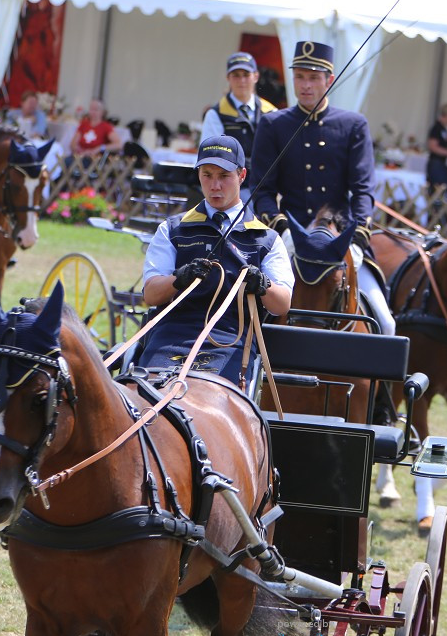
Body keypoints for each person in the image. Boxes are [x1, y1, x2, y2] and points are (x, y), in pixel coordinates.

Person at [250, 40, 395, 337]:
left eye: (314, 77)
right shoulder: (273, 124)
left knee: (386, 323)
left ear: (329, 81)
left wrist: (359, 230)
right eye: (300, 77)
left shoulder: (353, 125)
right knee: (249, 316)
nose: (306, 85)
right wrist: (281, 227)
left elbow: (363, 188)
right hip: (289, 237)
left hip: (339, 238)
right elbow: (261, 190)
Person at [140, 135, 293, 389]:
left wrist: (263, 284)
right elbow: (152, 294)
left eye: (224, 176)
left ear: (242, 176)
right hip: (170, 337)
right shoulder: (172, 229)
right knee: (145, 397)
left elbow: (282, 304)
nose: (215, 185)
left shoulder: (266, 239)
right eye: (207, 175)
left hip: (231, 342)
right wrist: (180, 278)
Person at [200, 51, 277, 199]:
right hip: (231, 190)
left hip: (268, 189)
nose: (241, 80)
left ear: (256, 76)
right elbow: (212, 157)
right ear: (228, 78)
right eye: (236, 75)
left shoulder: (272, 113)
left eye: (246, 74)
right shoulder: (215, 115)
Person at [426, 103, 447, 188]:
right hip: (436, 163)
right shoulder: (437, 128)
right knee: (442, 186)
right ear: (446, 116)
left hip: (441, 163)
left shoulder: (444, 130)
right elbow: (432, 147)